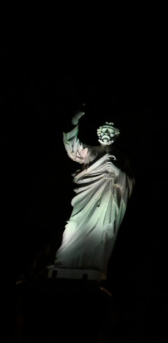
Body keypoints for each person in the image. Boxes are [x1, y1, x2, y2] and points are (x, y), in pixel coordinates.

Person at [51, 109, 133, 280]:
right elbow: (72, 147)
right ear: (97, 133)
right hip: (85, 198)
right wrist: (74, 122)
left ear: (116, 135)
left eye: (109, 131)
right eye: (102, 130)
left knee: (101, 230)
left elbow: (129, 183)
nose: (105, 133)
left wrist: (117, 172)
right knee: (72, 228)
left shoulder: (121, 156)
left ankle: (92, 264)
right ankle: (65, 262)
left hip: (104, 201)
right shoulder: (90, 151)